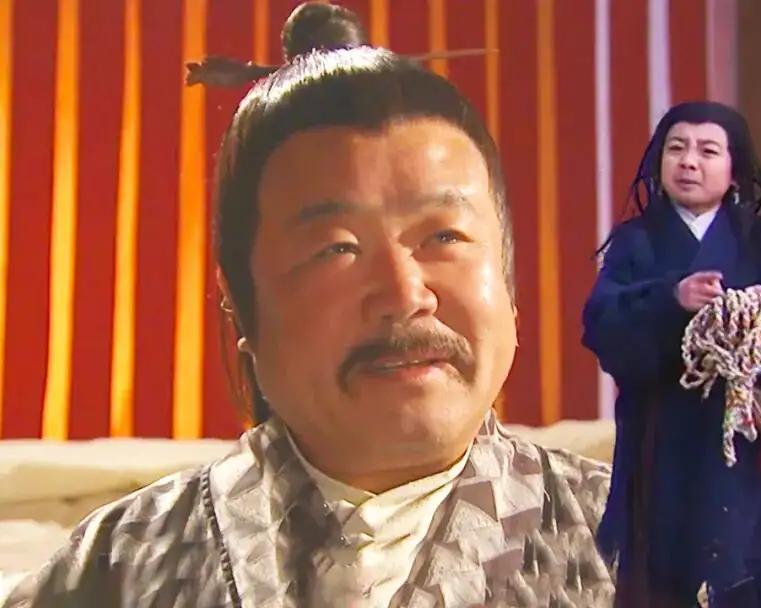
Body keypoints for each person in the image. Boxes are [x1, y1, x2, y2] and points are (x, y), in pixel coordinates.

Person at [3, 18, 612, 608]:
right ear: (241, 304)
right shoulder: (118, 568)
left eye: (445, 236)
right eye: (336, 248)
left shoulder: (634, 537)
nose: (406, 294)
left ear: (508, 285)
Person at [583, 101, 761, 607]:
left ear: (734, 170)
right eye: (676, 148)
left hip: (744, 451)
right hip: (661, 447)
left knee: (747, 579)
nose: (689, 161)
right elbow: (603, 323)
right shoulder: (635, 242)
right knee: (659, 582)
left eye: (707, 151)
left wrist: (755, 311)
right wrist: (672, 299)